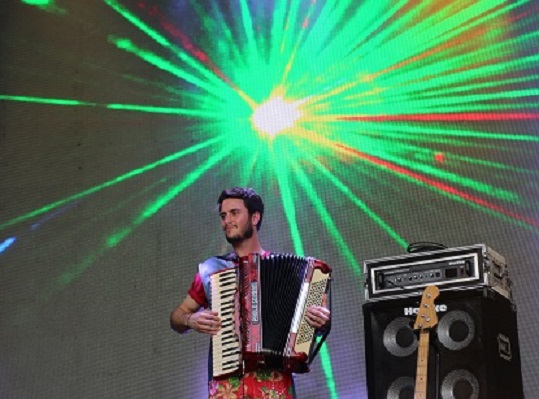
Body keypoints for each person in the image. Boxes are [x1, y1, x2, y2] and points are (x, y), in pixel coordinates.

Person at [170, 187, 331, 399]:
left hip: (274, 384)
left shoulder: (292, 272)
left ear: (255, 217)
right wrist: (190, 320)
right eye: (223, 215)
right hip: (228, 385)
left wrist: (321, 320)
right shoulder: (213, 270)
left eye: (234, 213)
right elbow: (177, 318)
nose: (226, 220)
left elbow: (315, 329)